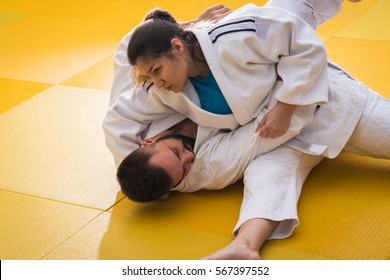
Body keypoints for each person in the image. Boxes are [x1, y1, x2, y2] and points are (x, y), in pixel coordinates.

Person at [106, 1, 374, 259]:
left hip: (293, 84)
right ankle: (245, 244)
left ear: (148, 142)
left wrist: (189, 27)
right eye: (184, 168)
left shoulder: (145, 95)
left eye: (177, 153)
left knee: (279, 18)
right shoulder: (203, 169)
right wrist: (288, 105)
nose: (189, 157)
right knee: (267, 169)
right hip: (303, 113)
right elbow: (261, 137)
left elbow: (127, 52)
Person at [104, 0, 336, 168]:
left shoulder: (227, 40)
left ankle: (182, 29)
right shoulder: (159, 92)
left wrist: (286, 106)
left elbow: (303, 45)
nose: (159, 82)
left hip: (280, 67)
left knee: (285, 16)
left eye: (157, 71)